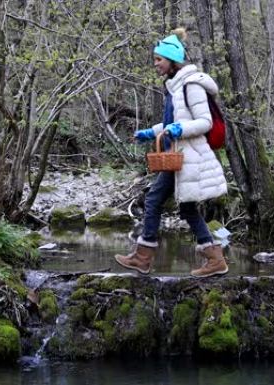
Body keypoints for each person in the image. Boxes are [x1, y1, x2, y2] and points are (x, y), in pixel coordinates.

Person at [114, 28, 229, 278]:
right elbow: (171, 123)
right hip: (178, 156)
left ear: (173, 60)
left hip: (188, 157)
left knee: (155, 199)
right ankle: (214, 259)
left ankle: (143, 258)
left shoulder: (191, 86)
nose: (155, 64)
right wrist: (150, 132)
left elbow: (204, 122)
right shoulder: (174, 88)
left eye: (159, 59)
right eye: (155, 59)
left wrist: (178, 129)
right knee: (185, 209)